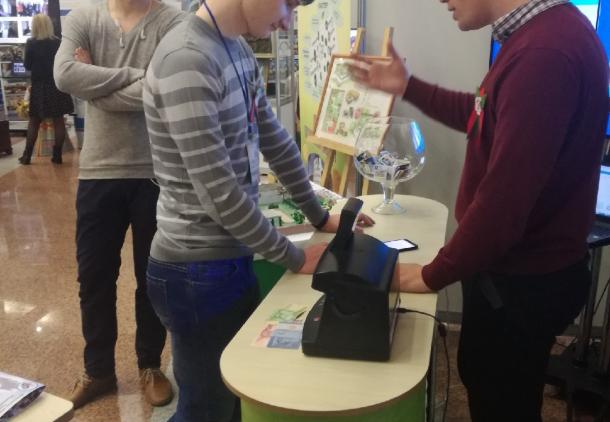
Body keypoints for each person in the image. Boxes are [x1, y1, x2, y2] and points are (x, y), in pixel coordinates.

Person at [350, 0, 608, 420]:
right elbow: (482, 115)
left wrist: (431, 274)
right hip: (520, 275)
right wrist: (407, 86)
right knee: (491, 381)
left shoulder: (544, 54)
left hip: (521, 283)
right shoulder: (542, 36)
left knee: (500, 398)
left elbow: (503, 205)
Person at [142, 0, 374, 420]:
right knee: (206, 409)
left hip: (230, 259)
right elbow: (219, 192)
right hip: (194, 270)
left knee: (235, 400)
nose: (287, 20)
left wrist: (320, 216)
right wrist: (294, 257)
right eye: (288, 4)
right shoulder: (186, 59)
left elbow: (275, 141)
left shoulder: (236, 47)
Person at [53, 0, 184, 410]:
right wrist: (138, 75)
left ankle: (150, 364)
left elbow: (165, 89)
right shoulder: (83, 18)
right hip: (98, 172)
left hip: (155, 172)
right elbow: (64, 74)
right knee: (94, 278)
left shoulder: (173, 21)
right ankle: (98, 371)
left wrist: (94, 83)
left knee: (152, 277)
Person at [18, 14, 73, 165]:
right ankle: (57, 156)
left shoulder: (31, 43)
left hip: (39, 86)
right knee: (58, 120)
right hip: (56, 85)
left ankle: (27, 156)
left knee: (34, 121)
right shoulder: (57, 42)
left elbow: (27, 66)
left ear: (34, 26)